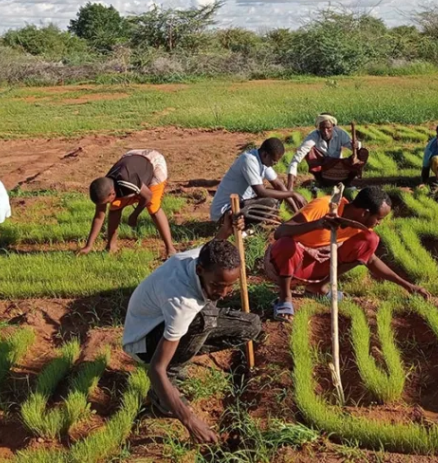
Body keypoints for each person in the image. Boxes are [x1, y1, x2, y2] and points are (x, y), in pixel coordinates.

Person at [122, 239, 261, 444]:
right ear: (199, 269)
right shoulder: (181, 304)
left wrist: (228, 227)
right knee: (204, 320)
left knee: (251, 326)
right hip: (144, 341)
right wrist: (190, 421)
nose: (223, 293)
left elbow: (217, 242)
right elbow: (155, 369)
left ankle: (180, 355)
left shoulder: (203, 257)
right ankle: (163, 392)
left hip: (165, 322)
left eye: (229, 286)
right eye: (217, 285)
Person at [265, 186, 430, 321]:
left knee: (369, 240)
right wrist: (317, 224)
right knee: (287, 244)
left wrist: (408, 286)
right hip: (283, 265)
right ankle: (285, 298)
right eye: (378, 218)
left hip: (314, 266)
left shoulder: (360, 226)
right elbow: (280, 232)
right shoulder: (324, 206)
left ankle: (317, 287)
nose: (379, 223)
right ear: (364, 213)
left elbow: (370, 260)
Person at [81, 149, 176, 259]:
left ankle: (170, 249)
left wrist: (135, 214)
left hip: (153, 162)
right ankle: (111, 247)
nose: (105, 204)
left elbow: (148, 195)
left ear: (112, 193)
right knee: (115, 207)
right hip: (131, 159)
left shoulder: (127, 181)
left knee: (153, 207)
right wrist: (88, 245)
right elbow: (99, 216)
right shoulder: (104, 188)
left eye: (106, 202)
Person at [211, 138, 307, 240]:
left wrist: (298, 213)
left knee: (277, 196)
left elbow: (279, 186)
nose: (275, 164)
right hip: (224, 213)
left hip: (240, 205)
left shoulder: (262, 160)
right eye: (274, 162)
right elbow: (261, 192)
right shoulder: (249, 160)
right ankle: (241, 229)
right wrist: (292, 194)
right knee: (271, 202)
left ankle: (248, 226)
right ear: (265, 154)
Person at [286, 114, 369, 192]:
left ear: (333, 126)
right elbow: (298, 155)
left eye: (328, 128)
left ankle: (347, 183)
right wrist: (289, 187)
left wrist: (357, 145)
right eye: (322, 128)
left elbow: (355, 147)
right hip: (323, 169)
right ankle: (321, 184)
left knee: (363, 153)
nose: (325, 131)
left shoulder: (340, 133)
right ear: (318, 128)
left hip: (340, 168)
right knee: (309, 151)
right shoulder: (314, 135)